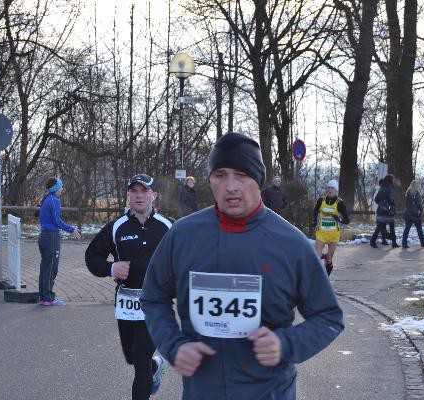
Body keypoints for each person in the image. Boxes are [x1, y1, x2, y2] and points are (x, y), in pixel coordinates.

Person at [140, 132, 344, 399]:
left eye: (242, 175)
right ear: (210, 180)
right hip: (202, 392)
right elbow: (153, 297)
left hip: (270, 392)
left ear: (258, 180)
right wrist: (174, 345)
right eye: (220, 175)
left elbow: (329, 318)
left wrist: (285, 344)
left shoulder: (291, 244)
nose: (231, 186)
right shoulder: (182, 236)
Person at [85, 174, 170, 400]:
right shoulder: (116, 227)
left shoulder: (167, 227)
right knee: (132, 356)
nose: (139, 195)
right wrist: (111, 268)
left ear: (153, 195)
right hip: (127, 302)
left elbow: (184, 258)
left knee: (140, 360)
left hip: (155, 305)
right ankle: (155, 366)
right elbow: (92, 256)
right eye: (134, 191)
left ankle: (147, 369)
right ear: (128, 195)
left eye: (144, 191)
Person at [38, 177, 81, 306]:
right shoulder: (54, 200)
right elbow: (57, 221)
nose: (62, 189)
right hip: (50, 237)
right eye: (61, 186)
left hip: (45, 236)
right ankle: (48, 298)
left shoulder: (48, 198)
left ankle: (43, 297)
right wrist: (71, 229)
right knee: (51, 268)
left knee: (45, 268)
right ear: (56, 188)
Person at [312, 179, 350, 275]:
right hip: (321, 232)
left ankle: (327, 276)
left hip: (333, 234)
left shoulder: (339, 203)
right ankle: (318, 276)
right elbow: (315, 211)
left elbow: (347, 220)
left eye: (332, 188)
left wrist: (339, 219)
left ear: (336, 190)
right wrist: (314, 221)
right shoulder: (321, 200)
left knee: (329, 259)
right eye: (328, 187)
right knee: (317, 256)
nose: (329, 189)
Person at [370, 174, 399, 248]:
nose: (393, 181)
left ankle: (372, 241)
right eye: (392, 179)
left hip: (381, 210)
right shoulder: (390, 188)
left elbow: (376, 199)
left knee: (379, 227)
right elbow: (391, 199)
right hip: (388, 211)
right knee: (392, 227)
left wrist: (381, 204)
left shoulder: (381, 188)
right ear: (390, 180)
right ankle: (394, 243)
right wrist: (393, 205)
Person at [401, 179, 424, 248]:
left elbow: (407, 204)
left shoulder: (408, 192)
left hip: (408, 214)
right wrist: (421, 210)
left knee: (407, 229)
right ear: (417, 186)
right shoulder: (416, 193)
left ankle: (404, 243)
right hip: (416, 214)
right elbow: (418, 204)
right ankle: (423, 242)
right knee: (419, 229)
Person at [371, 179, 389, 245]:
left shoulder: (384, 191)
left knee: (383, 227)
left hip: (383, 211)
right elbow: (376, 201)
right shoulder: (379, 191)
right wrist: (381, 207)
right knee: (379, 227)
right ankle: (372, 241)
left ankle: (384, 240)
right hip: (379, 212)